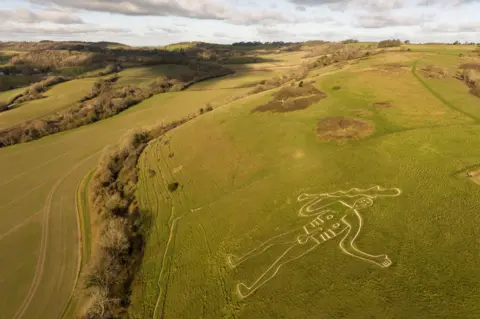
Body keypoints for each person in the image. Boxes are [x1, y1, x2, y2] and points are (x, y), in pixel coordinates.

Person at [227, 186, 401, 298]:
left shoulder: (354, 220)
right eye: (363, 200)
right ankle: (238, 260)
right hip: (302, 231)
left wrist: (374, 258)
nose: (362, 202)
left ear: (365, 206)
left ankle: (249, 289)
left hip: (312, 242)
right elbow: (308, 211)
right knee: (270, 243)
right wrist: (316, 198)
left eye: (366, 203)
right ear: (358, 199)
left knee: (279, 261)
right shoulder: (338, 204)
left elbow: (348, 245)